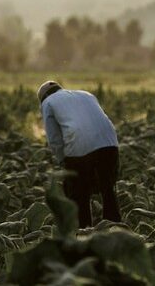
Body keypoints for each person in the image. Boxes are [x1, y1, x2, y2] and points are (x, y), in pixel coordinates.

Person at [38, 80, 121, 228]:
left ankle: (83, 232)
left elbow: (54, 138)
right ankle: (116, 228)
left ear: (43, 98)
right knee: (108, 189)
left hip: (80, 146)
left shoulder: (48, 103)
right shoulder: (86, 94)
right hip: (110, 143)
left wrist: (62, 160)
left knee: (78, 194)